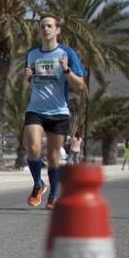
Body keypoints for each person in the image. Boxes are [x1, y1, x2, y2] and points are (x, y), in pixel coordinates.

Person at [22, 14, 86, 210]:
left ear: (57, 30)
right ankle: (38, 184)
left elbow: (80, 85)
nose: (45, 29)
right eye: (42, 26)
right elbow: (31, 80)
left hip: (58, 112)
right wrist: (28, 76)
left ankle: (54, 194)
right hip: (35, 109)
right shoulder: (32, 54)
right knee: (32, 148)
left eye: (49, 26)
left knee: (53, 157)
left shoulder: (67, 53)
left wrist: (66, 70)